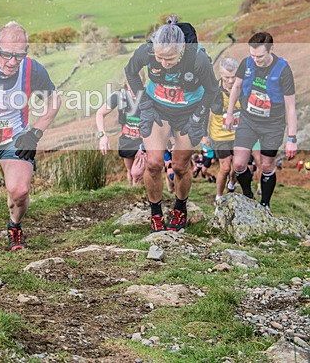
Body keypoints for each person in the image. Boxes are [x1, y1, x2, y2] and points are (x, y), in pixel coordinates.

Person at [0, 22, 60, 251]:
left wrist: (35, 132)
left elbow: (54, 101)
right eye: (7, 54)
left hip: (16, 137)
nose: (12, 62)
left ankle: (14, 227)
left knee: (20, 191)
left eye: (19, 56)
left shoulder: (32, 69)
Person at [124, 15, 218, 232]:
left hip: (189, 112)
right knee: (154, 163)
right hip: (157, 108)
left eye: (170, 59)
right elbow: (130, 72)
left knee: (179, 165)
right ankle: (155, 213)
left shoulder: (198, 60)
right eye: (159, 58)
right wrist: (143, 102)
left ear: (182, 49)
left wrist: (198, 117)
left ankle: (180, 207)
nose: (164, 64)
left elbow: (212, 90)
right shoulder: (146, 51)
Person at [225, 32, 298, 209]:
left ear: (271, 49)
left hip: (272, 125)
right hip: (248, 120)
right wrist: (229, 113)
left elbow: (291, 107)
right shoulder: (247, 63)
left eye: (260, 56)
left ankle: (265, 204)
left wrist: (292, 139)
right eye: (253, 55)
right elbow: (236, 87)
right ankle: (248, 195)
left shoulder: (283, 70)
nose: (256, 60)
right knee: (239, 163)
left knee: (266, 165)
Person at [96, 83, 144, 185]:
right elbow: (100, 113)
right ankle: (135, 196)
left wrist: (143, 146)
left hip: (144, 141)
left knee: (138, 173)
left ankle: (144, 197)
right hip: (127, 141)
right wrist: (102, 135)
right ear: (127, 82)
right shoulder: (119, 95)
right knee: (131, 172)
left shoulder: (148, 95)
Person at [207, 57, 240, 201]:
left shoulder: (242, 88)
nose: (231, 81)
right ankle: (219, 198)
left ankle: (232, 184)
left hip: (239, 134)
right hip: (219, 135)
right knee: (225, 168)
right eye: (227, 77)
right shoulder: (213, 90)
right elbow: (204, 112)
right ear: (221, 74)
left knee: (238, 167)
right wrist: (203, 135)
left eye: (233, 77)